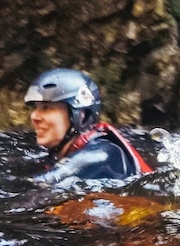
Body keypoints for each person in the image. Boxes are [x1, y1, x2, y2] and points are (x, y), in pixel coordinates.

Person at [24, 68, 153, 183]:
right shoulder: (57, 156)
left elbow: (42, 184)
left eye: (46, 108)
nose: (34, 116)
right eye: (36, 108)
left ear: (81, 115)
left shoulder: (103, 154)